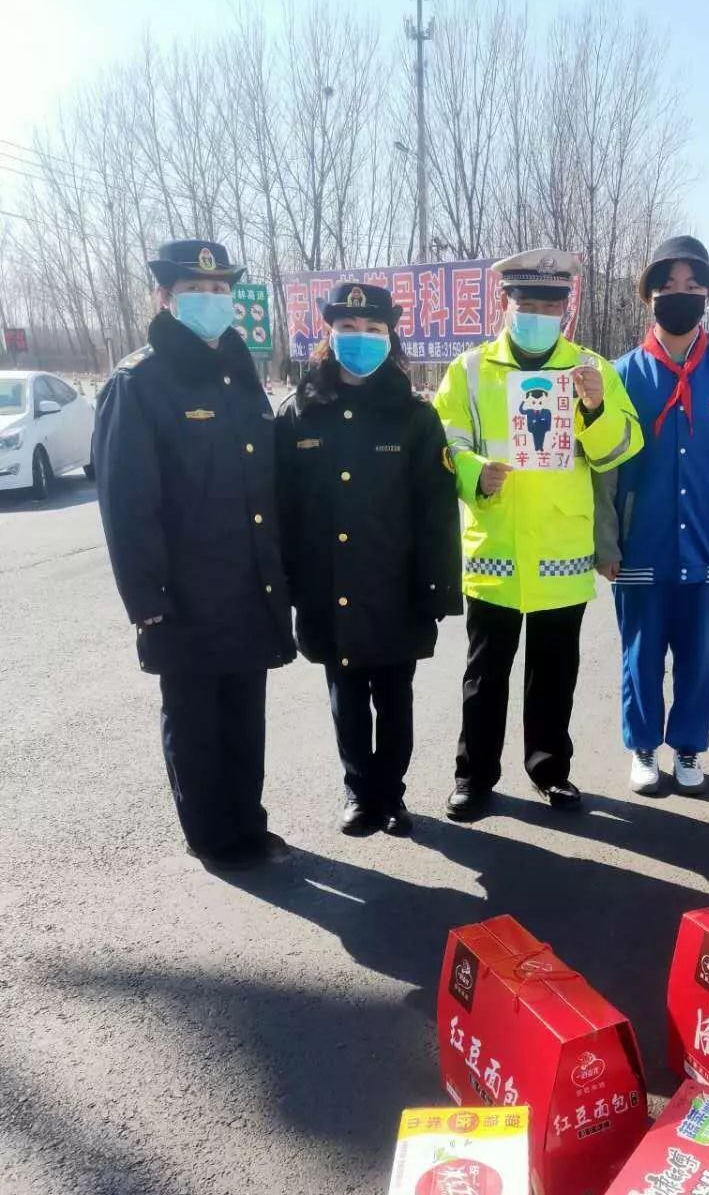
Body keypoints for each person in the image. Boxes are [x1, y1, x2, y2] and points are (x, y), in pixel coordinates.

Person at [94, 239, 295, 869]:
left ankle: (248, 822)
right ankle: (212, 836)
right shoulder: (140, 381)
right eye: (195, 290)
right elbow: (127, 504)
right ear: (164, 298)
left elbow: (263, 481)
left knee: (245, 715)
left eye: (220, 289)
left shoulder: (238, 372)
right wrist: (147, 602)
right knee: (196, 720)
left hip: (249, 584)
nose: (211, 299)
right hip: (185, 595)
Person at [434, 249, 643, 821]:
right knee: (484, 675)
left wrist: (595, 407)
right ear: (505, 303)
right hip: (496, 549)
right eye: (526, 303)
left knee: (554, 675)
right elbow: (446, 443)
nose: (538, 314)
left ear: (566, 309)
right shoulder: (470, 369)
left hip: (560, 553)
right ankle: (473, 777)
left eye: (551, 305)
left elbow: (622, 449)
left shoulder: (591, 369)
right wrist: (475, 473)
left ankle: (550, 770)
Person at [275, 282, 461, 836]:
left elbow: (436, 511)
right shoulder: (299, 414)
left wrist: (437, 587)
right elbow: (282, 507)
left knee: (395, 697)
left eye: (374, 329)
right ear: (329, 336)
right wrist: (287, 585)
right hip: (328, 586)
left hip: (395, 586)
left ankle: (392, 794)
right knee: (346, 695)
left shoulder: (414, 416)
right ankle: (359, 791)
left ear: (391, 337)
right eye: (349, 328)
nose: (361, 338)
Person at [598, 236, 709, 795]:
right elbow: (604, 467)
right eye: (667, 286)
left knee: (699, 657)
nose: (680, 294)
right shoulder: (621, 375)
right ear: (649, 297)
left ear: (708, 297)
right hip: (641, 546)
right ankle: (643, 747)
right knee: (640, 655)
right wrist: (606, 541)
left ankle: (690, 746)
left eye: (692, 286)